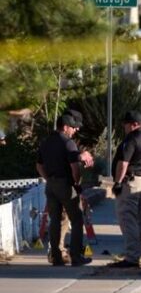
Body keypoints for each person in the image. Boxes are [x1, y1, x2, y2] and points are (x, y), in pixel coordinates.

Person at [35, 114, 92, 266]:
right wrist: (77, 183)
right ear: (65, 127)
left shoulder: (46, 142)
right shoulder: (68, 143)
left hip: (51, 185)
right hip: (66, 184)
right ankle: (76, 256)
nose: (75, 130)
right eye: (73, 127)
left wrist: (48, 179)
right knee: (77, 219)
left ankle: (56, 257)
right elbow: (75, 168)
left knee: (55, 220)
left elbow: (39, 165)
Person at [109, 111, 141, 268]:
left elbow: (123, 163)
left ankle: (132, 257)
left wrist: (118, 182)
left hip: (130, 183)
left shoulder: (131, 139)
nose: (124, 127)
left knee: (128, 219)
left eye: (126, 124)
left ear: (134, 124)